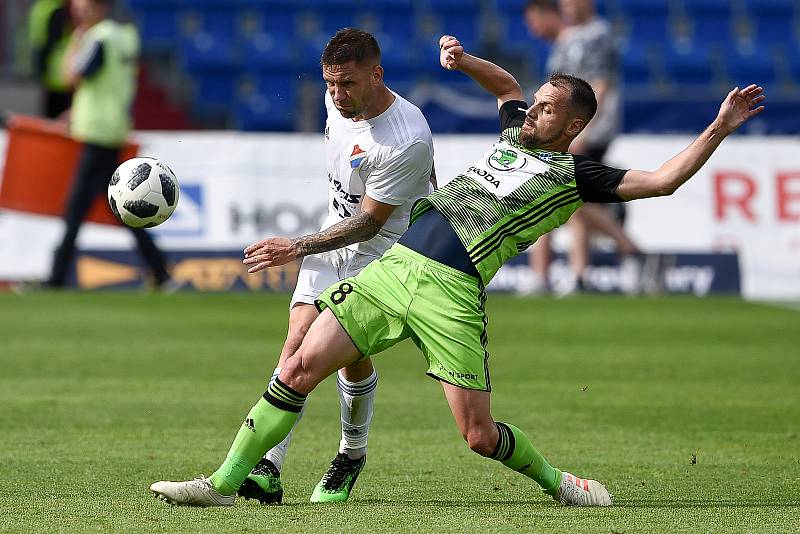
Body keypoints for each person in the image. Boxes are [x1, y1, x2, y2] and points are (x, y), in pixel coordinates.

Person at [149, 34, 764, 507]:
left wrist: (719, 127)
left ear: (574, 127)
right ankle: (223, 481)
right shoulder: (515, 134)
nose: (533, 111)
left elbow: (663, 181)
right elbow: (505, 87)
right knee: (298, 365)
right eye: (538, 103)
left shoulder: (577, 178)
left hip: (452, 295)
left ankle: (560, 483)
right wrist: (466, 61)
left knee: (477, 436)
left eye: (547, 110)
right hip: (398, 266)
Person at [236, 28, 435, 504]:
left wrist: (296, 247)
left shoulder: (406, 138)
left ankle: (351, 452)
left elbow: (369, 224)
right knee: (298, 339)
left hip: (386, 249)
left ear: (377, 74)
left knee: (345, 359)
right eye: (330, 84)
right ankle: (269, 464)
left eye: (347, 84)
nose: (337, 95)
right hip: (335, 230)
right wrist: (310, 245)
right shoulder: (336, 103)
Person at [44, 0, 170, 289]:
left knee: (77, 208)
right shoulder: (125, 36)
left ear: (96, 6)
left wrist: (77, 37)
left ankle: (54, 280)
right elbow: (109, 83)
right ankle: (160, 269)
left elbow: (69, 77)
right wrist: (77, 112)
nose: (76, 7)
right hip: (114, 127)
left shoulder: (97, 38)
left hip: (97, 133)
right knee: (121, 206)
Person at [522, 0, 639, 295]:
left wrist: (581, 130)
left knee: (566, 193)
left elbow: (599, 86)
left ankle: (621, 251)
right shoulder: (569, 38)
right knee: (560, 192)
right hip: (568, 128)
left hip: (583, 130)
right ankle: (560, 272)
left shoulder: (597, 35)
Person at [28, 0, 73, 118]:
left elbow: (40, 41)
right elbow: (52, 41)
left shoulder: (40, 6)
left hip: (48, 69)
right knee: (58, 114)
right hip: (59, 71)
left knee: (49, 111)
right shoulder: (57, 10)